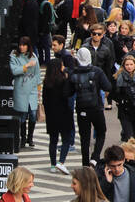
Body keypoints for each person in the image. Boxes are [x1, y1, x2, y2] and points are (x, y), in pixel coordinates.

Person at [69, 47, 111, 168]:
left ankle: (85, 164)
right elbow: (108, 86)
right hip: (96, 108)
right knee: (101, 132)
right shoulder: (97, 71)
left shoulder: (74, 73)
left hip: (81, 108)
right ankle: (95, 157)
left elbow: (68, 92)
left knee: (84, 138)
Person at [42, 47, 75, 175]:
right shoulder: (64, 80)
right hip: (64, 113)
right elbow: (68, 94)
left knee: (53, 140)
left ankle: (52, 164)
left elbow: (45, 100)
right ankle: (61, 162)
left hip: (51, 115)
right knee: (66, 139)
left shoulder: (47, 82)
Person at [9, 36, 40, 149]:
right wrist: (26, 66)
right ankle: (22, 137)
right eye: (20, 45)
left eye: (24, 45)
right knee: (22, 114)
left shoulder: (33, 56)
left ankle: (30, 137)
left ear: (28, 46)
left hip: (32, 87)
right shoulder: (14, 56)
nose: (21, 47)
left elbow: (37, 73)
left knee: (32, 114)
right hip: (21, 87)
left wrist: (39, 89)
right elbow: (15, 70)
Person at [35, 0, 55, 64]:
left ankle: (46, 61)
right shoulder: (43, 3)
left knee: (45, 46)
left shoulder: (44, 4)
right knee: (43, 46)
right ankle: (44, 60)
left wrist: (42, 30)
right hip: (43, 29)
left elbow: (45, 18)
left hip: (44, 29)